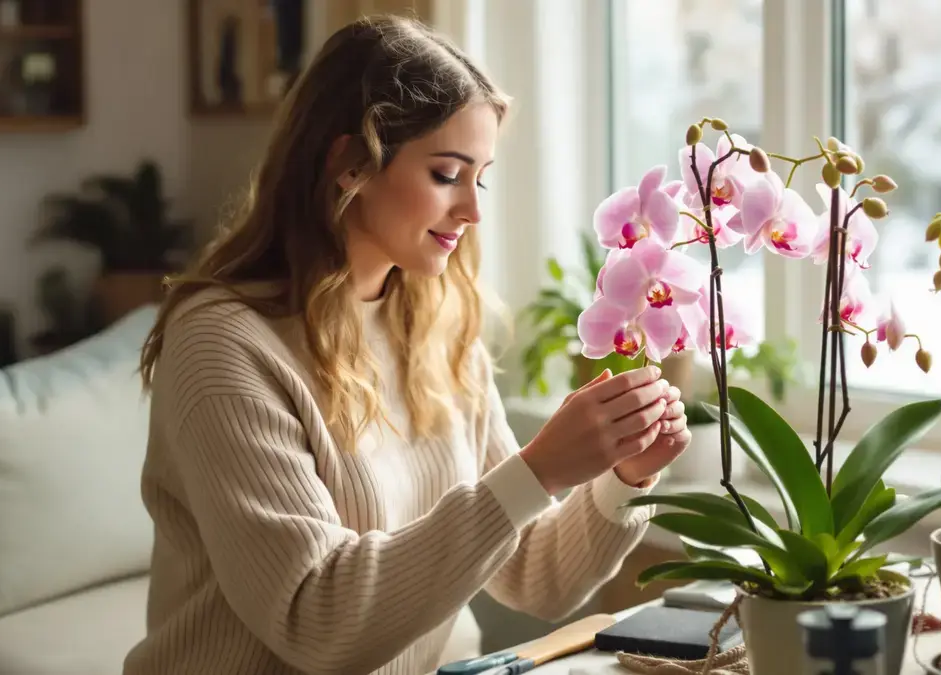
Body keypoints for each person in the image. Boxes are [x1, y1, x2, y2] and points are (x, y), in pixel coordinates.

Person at [123, 14, 691, 675]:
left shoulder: (435, 325)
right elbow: (319, 623)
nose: (473, 210)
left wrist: (625, 475)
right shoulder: (222, 346)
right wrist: (539, 468)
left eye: (482, 177)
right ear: (350, 164)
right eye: (448, 174)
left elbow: (536, 575)